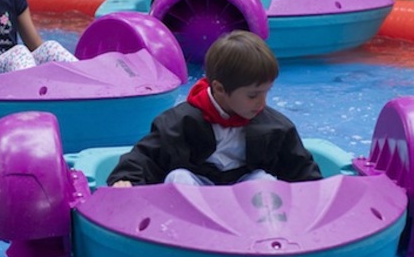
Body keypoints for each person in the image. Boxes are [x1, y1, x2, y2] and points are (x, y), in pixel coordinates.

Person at [106, 30, 322, 187]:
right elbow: (146, 156)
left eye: (267, 92)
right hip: (199, 189)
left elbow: (299, 166)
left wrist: (316, 190)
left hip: (244, 192)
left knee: (264, 182)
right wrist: (126, 180)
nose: (262, 102)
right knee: (178, 178)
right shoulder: (178, 123)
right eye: (253, 95)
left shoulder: (274, 127)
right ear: (219, 88)